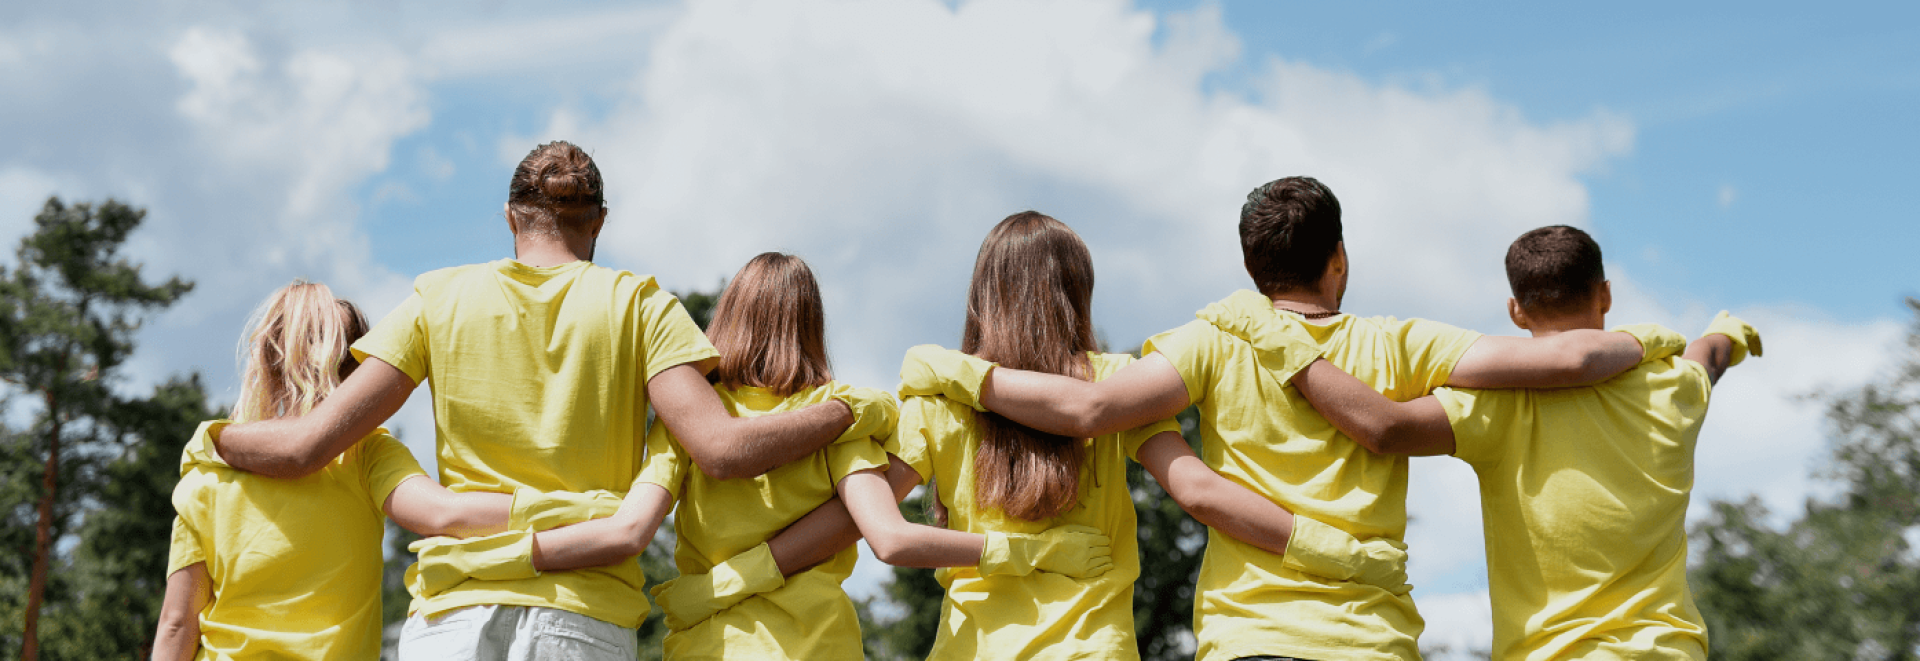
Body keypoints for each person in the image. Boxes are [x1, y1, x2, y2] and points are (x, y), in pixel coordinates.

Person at [900, 179, 1675, 661]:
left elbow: (1102, 415)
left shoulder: (1209, 339)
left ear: (1250, 269)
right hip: (1369, 640)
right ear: (1339, 257)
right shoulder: (1400, 342)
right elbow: (1564, 363)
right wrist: (1657, 343)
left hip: (1248, 639)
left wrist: (957, 370)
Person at [205, 142, 872, 657]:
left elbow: (305, 446)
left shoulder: (437, 298)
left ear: (509, 216)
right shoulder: (639, 303)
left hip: (453, 616)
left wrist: (209, 440)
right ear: (600, 222)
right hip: (581, 612)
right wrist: (846, 411)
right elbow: (722, 451)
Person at [839, 212, 1404, 660]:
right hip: (1094, 648)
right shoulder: (1114, 383)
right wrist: (1338, 551)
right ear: (1077, 290)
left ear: (982, 296)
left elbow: (879, 531)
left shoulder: (936, 400)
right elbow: (1197, 489)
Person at [1286, 225, 1760, 660]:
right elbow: (1709, 355)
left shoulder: (1497, 406)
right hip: (1668, 650)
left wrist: (1288, 349)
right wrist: (1728, 331)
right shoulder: (1674, 385)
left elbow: (1384, 428)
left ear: (1515, 311)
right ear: (1606, 295)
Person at [151, 282, 625, 660]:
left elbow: (177, 623)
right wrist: (587, 510)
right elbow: (445, 515)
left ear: (266, 358)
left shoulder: (206, 473)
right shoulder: (366, 453)